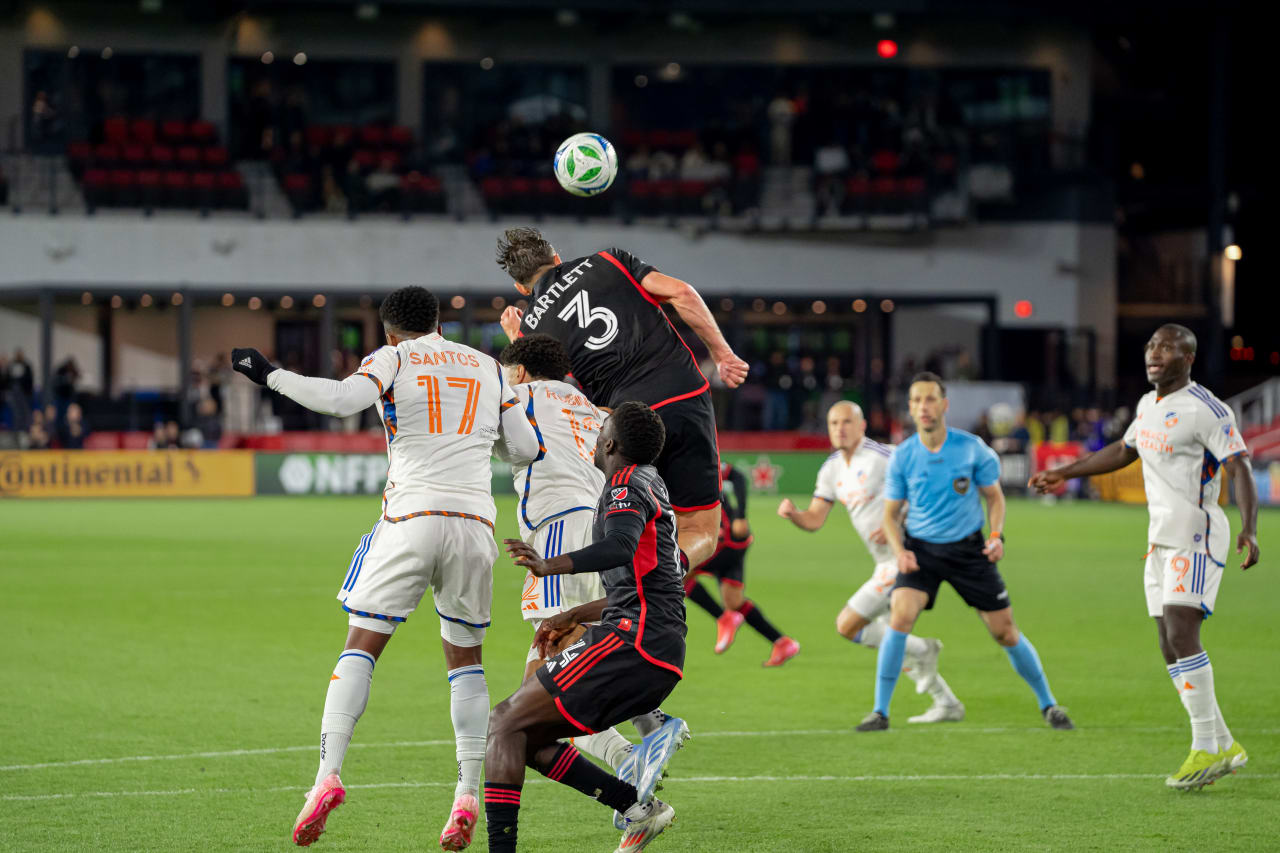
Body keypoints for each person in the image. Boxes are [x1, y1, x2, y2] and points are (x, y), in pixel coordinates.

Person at [232, 286, 542, 850]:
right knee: (466, 662)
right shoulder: (488, 367)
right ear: (439, 322)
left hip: (411, 516)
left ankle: (327, 777)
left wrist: (270, 375)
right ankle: (466, 794)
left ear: (389, 331)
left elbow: (339, 400)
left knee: (360, 647)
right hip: (474, 525)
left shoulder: (393, 358)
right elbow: (523, 447)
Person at [1029, 324, 1258, 789]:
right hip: (1160, 538)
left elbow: (1240, 464)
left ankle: (1205, 748)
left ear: (1188, 358)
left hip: (1197, 532)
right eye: (1152, 345)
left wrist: (1251, 528)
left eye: (1168, 347)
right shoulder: (1147, 405)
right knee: (1166, 641)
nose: (1155, 353)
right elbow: (1122, 450)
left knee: (1180, 628)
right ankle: (1223, 741)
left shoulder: (1205, 409)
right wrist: (1066, 473)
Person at [497, 334, 689, 828]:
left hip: (562, 532)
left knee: (534, 704)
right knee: (536, 694)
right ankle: (634, 786)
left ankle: (640, 743)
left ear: (518, 372)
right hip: (598, 520)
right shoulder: (585, 403)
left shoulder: (517, 395)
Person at [495, 226, 749, 571]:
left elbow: (552, 390)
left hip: (624, 424)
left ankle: (624, 605)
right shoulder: (609, 260)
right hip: (684, 395)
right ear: (556, 257)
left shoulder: (532, 329)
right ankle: (664, 583)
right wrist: (722, 355)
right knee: (699, 528)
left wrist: (517, 339)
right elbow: (683, 294)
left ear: (521, 288)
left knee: (627, 531)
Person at [858, 372, 1073, 732]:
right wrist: (901, 552)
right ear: (910, 409)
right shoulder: (903, 456)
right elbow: (891, 515)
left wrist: (997, 535)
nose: (923, 407)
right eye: (916, 401)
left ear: (944, 405)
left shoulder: (972, 448)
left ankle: (1049, 704)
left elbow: (994, 497)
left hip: (968, 551)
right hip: (921, 551)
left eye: (930, 399)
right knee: (899, 619)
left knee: (1005, 632)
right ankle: (880, 711)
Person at [778, 401, 964, 723]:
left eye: (847, 421)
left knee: (854, 626)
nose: (840, 428)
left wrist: (897, 517)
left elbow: (928, 481)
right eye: (834, 423)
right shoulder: (832, 468)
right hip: (883, 563)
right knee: (875, 635)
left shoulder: (882, 456)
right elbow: (815, 519)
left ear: (862, 425)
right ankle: (944, 699)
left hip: (905, 557)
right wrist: (795, 515)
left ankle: (922, 656)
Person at [686, 461, 800, 666]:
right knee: (734, 601)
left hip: (725, 539)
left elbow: (736, 476)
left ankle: (724, 618)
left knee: (677, 573)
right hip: (722, 541)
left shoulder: (695, 456)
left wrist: (740, 516)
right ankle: (782, 643)